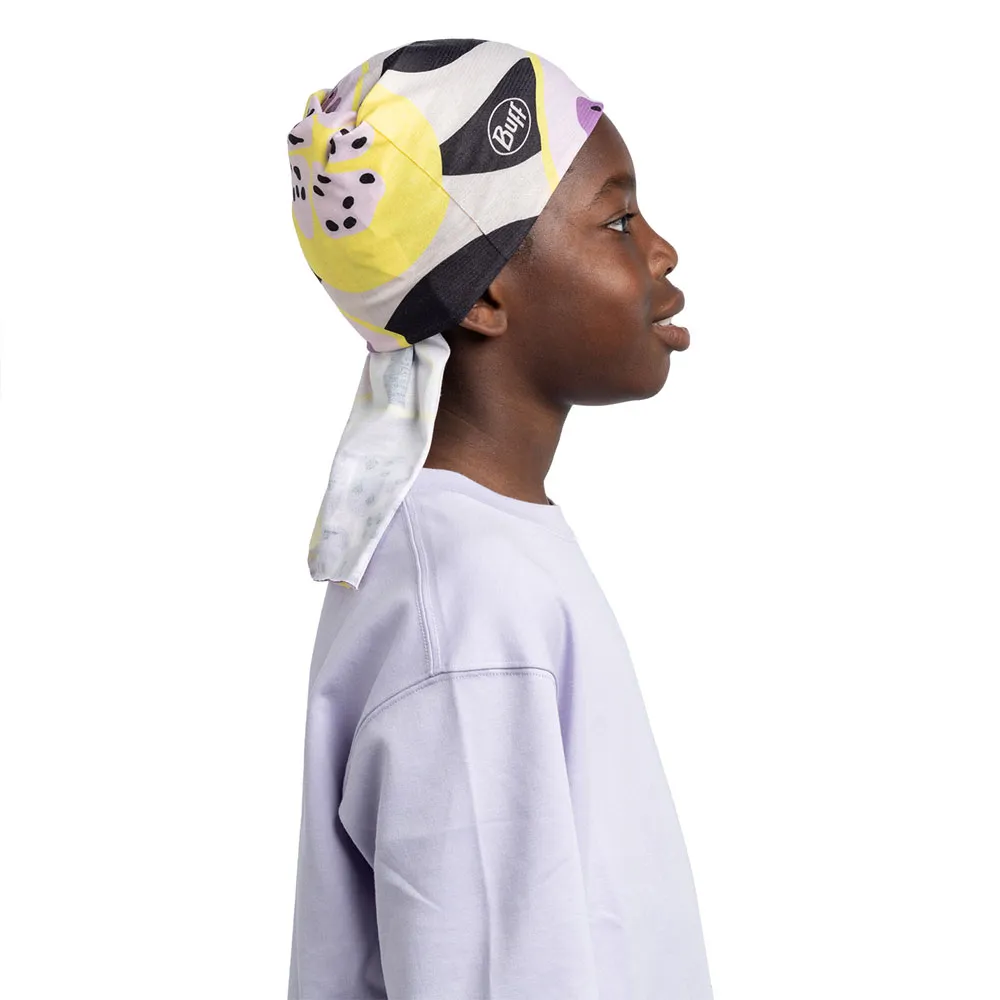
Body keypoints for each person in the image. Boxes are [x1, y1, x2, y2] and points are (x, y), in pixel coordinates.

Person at [286, 38, 712, 1000]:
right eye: (618, 220)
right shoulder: (471, 605)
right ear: (484, 294)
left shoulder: (479, 553)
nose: (661, 251)